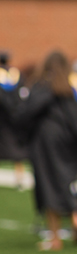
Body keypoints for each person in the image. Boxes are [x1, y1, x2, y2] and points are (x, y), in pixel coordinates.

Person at [10, 51, 77, 251]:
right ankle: (76, 216)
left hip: (46, 141)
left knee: (47, 185)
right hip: (68, 140)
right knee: (65, 180)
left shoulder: (43, 86)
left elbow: (27, 112)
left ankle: (55, 238)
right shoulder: (72, 88)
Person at [0, 51, 29, 191]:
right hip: (15, 115)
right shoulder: (16, 74)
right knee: (16, 149)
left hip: (2, 115)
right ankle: (20, 178)